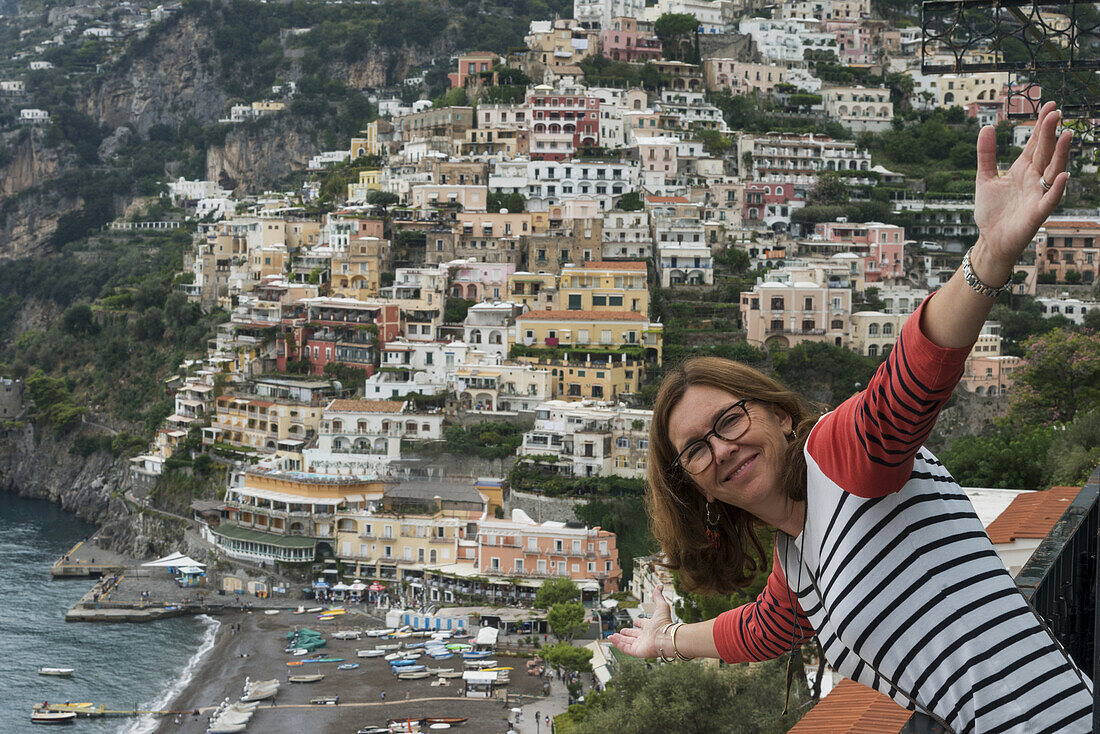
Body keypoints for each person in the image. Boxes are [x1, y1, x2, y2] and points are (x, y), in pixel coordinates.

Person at [609, 102, 1091, 733]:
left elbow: (911, 379)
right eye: (695, 450)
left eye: (728, 420)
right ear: (693, 482)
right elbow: (755, 631)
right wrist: (665, 641)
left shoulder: (836, 455)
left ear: (780, 416)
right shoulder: (798, 561)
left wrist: (988, 256)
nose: (720, 449)